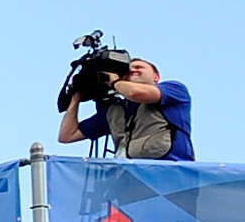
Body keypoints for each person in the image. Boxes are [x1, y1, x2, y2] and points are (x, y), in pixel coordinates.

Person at [55, 48, 196, 161]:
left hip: (173, 175)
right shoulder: (115, 111)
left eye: (140, 67)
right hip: (132, 183)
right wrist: (76, 98)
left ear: (156, 77)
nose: (133, 70)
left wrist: (115, 82)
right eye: (128, 70)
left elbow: (136, 94)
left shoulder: (174, 89)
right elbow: (67, 135)